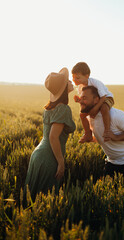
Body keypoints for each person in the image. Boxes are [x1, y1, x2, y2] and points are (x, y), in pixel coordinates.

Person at [23, 68, 76, 205]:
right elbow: (53, 137)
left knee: (33, 199)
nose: (71, 81)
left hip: (39, 154)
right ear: (64, 88)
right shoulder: (63, 108)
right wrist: (61, 162)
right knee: (45, 201)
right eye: (67, 81)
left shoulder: (50, 107)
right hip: (49, 157)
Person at [79, 85, 124, 178]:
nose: (80, 101)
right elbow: (103, 137)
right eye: (80, 98)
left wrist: (116, 137)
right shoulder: (89, 118)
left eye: (84, 98)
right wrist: (90, 139)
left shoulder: (114, 115)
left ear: (96, 100)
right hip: (112, 162)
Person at [72, 62, 114, 143]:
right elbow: (84, 100)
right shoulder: (80, 87)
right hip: (93, 101)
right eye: (73, 77)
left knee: (104, 108)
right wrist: (79, 100)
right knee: (82, 114)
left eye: (77, 77)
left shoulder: (95, 82)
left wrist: (95, 108)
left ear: (87, 76)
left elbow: (103, 97)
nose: (74, 80)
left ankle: (107, 131)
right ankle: (88, 134)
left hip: (105, 98)